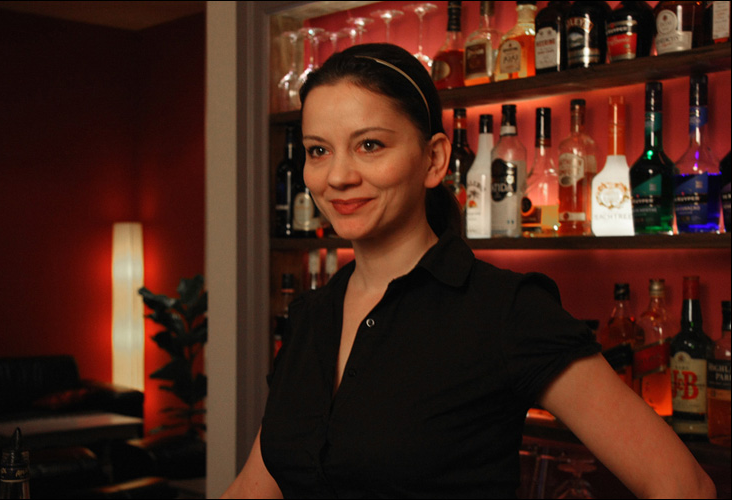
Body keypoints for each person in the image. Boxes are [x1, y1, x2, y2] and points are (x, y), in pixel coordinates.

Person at [222, 43, 715, 499]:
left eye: (369, 145)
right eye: (318, 150)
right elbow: (253, 489)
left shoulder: (504, 311)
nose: (338, 176)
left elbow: (682, 485)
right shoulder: (310, 318)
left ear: (434, 160)